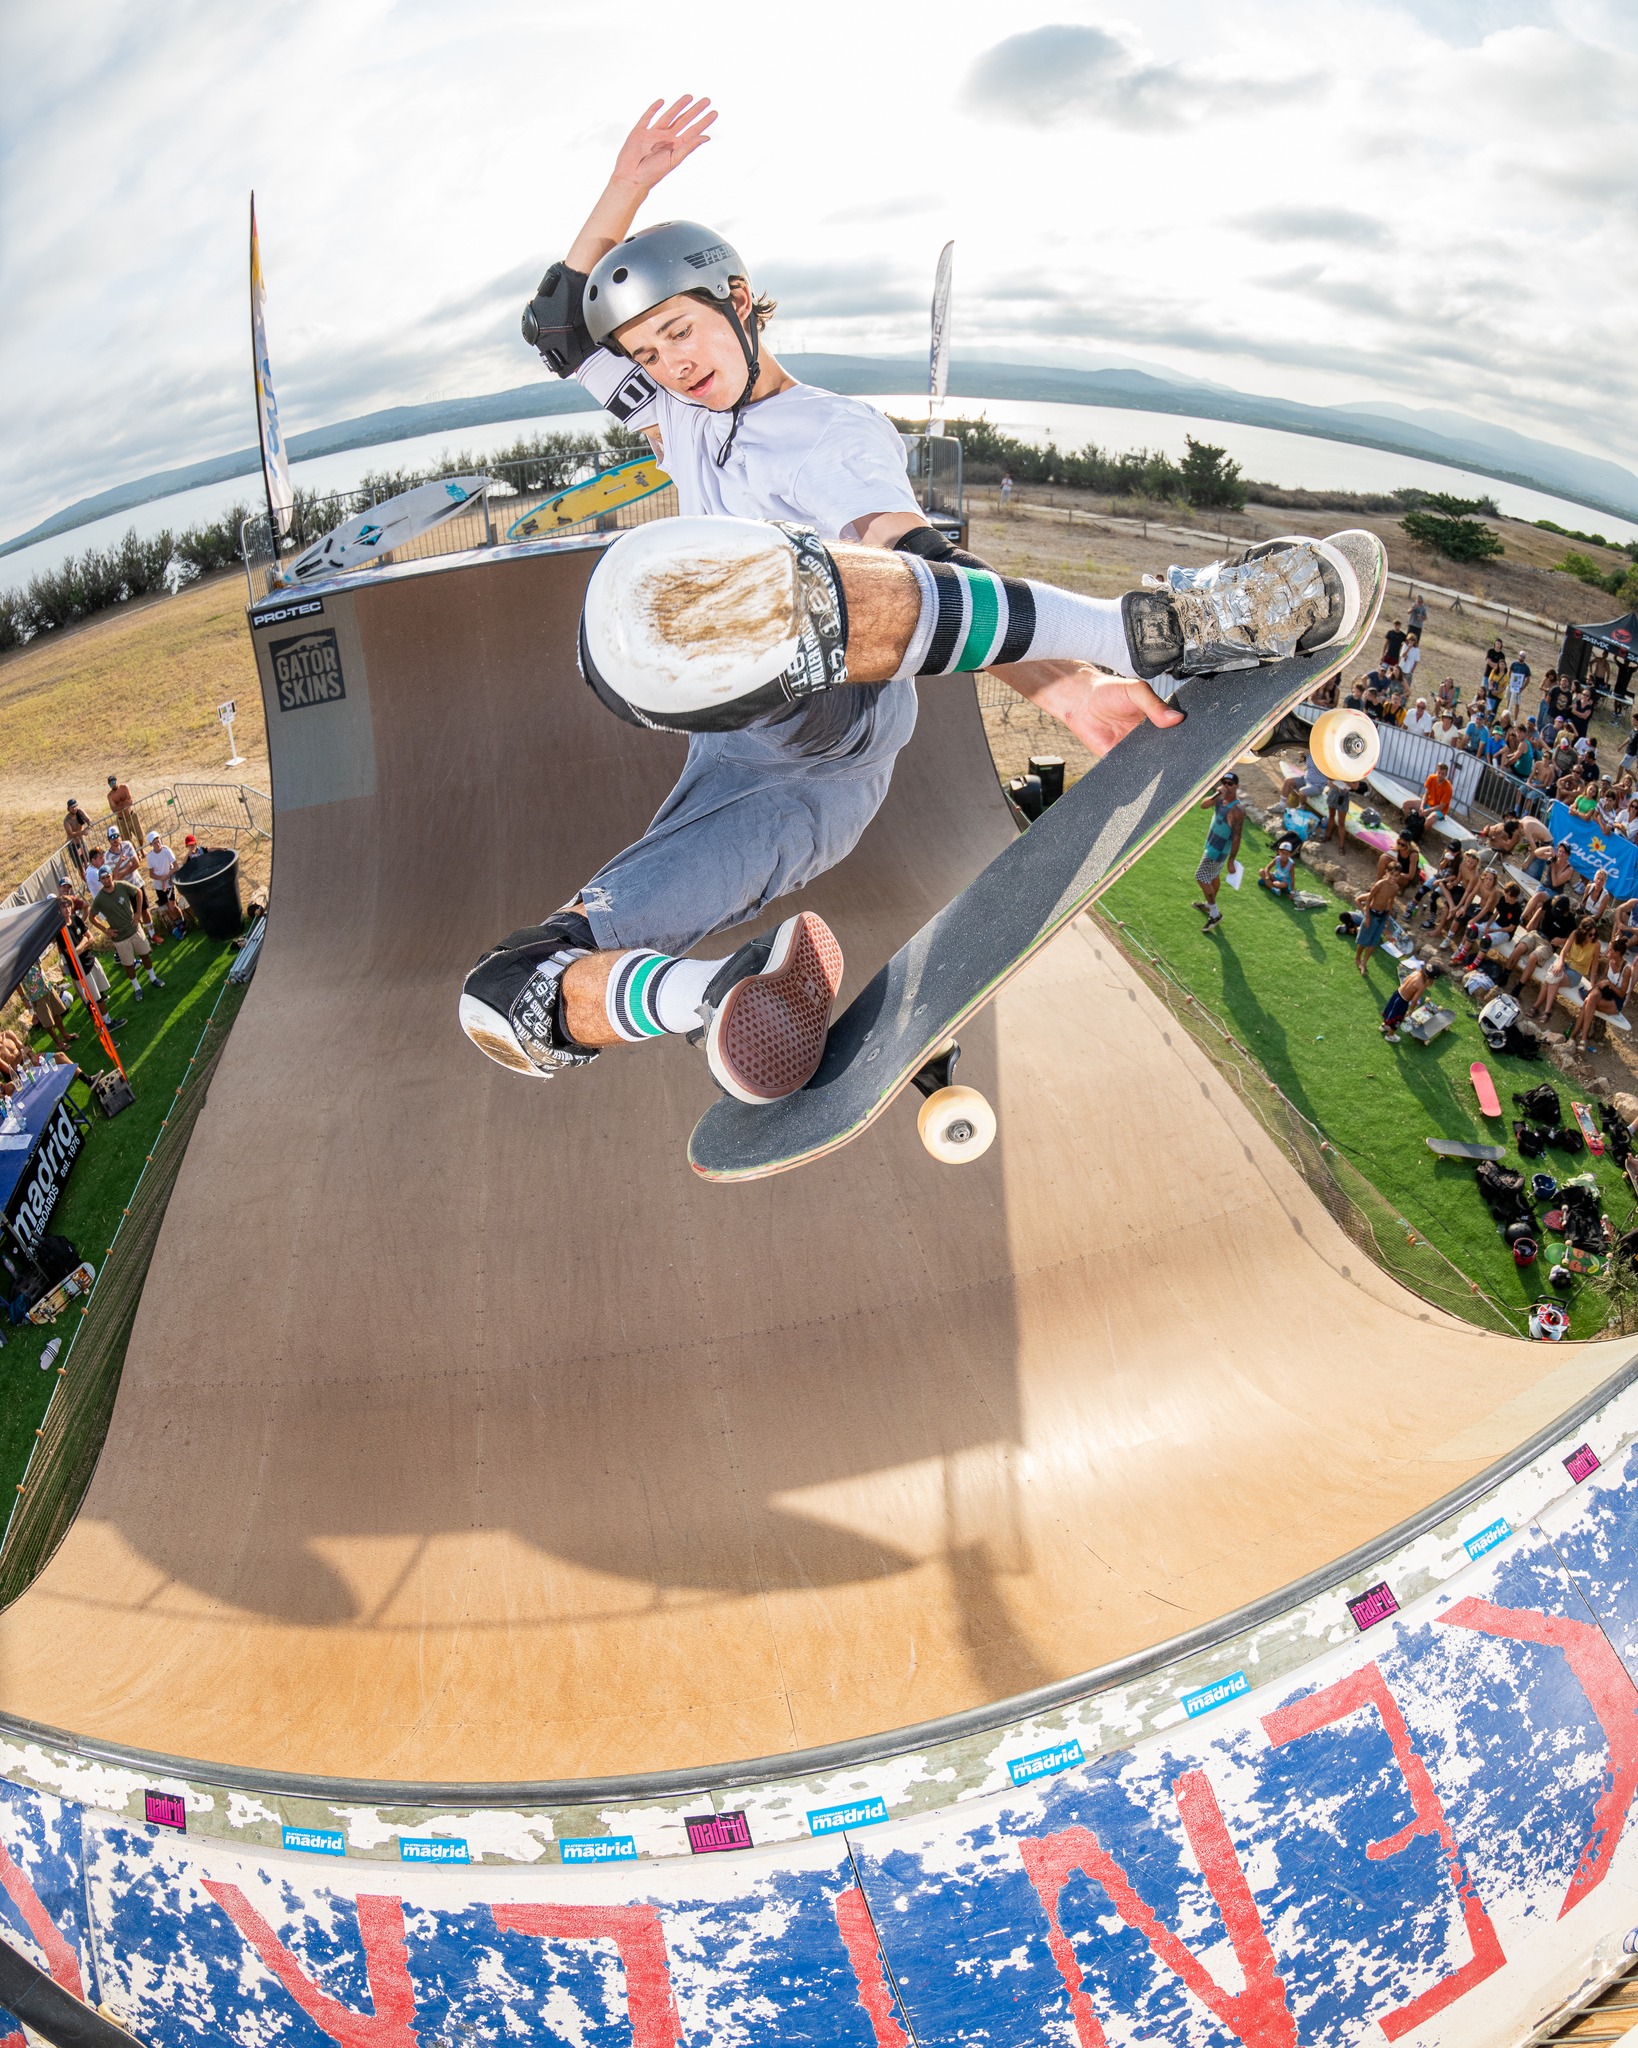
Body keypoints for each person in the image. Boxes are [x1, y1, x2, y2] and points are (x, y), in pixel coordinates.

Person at [461, 105, 1363, 1090]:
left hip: (833, 728)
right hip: (743, 776)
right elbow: (558, 323)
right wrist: (628, 184)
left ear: (740, 301)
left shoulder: (834, 435)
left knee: (756, 587)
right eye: (647, 355)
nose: (671, 365)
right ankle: (714, 996)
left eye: (680, 331)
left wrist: (1067, 685)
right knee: (504, 1000)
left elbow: (915, 567)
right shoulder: (677, 413)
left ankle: (1165, 628)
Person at [89, 871, 164, 1003]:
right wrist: (106, 930)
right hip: (120, 938)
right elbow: (91, 917)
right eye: (103, 878)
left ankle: (153, 978)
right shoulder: (99, 899)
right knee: (128, 965)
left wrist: (138, 913)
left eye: (107, 877)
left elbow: (138, 892)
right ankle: (137, 988)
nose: (106, 880)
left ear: (111, 876)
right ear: (100, 880)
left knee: (145, 955)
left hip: (135, 930)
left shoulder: (122, 885)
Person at [1194, 773, 1246, 933]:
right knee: (1213, 876)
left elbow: (1237, 837)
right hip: (1211, 845)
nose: (1226, 786)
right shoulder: (1220, 799)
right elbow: (1203, 805)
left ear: (1236, 786)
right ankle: (1209, 906)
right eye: (1224, 782)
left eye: (1230, 783)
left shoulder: (1237, 810)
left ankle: (1215, 913)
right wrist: (1216, 794)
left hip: (1217, 851)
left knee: (1201, 877)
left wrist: (1231, 861)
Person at [18, 960, 74, 1057]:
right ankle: (58, 1044)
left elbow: (40, 968)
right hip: (36, 996)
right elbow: (16, 984)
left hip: (48, 988)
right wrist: (24, 999)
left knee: (56, 1013)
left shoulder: (31, 954)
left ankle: (65, 1035)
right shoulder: (16, 964)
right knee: (47, 1022)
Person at [1354, 868, 1402, 975]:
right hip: (1372, 914)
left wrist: (1387, 918)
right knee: (1364, 940)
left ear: (1399, 876)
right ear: (1386, 872)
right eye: (1391, 874)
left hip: (1382, 915)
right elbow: (1368, 899)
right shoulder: (1379, 885)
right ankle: (1357, 958)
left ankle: (1364, 963)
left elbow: (1390, 902)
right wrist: (1367, 917)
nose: (1393, 877)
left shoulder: (1395, 888)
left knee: (1374, 942)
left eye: (1396, 875)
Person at [1381, 958, 1429, 1043]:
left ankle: (1384, 1025)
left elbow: (1404, 981)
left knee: (1390, 1010)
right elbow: (1414, 1000)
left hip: (1397, 993)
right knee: (1397, 1019)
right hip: (1402, 1001)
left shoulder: (1415, 973)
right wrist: (1411, 1011)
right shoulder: (1422, 986)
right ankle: (1390, 1035)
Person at [145, 830, 182, 936]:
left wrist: (167, 875)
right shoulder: (150, 856)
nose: (158, 843)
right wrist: (160, 878)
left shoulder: (166, 850)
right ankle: (178, 924)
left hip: (169, 883)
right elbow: (151, 874)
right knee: (167, 907)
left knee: (172, 906)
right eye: (155, 842)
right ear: (151, 844)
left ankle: (182, 921)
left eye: (158, 841)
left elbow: (176, 866)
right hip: (159, 885)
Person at [106, 773, 140, 843]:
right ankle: (135, 850)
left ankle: (142, 848)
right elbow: (114, 810)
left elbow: (130, 801)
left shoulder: (124, 788)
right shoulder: (110, 796)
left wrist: (119, 807)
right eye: (111, 784)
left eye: (114, 782)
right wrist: (124, 805)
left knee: (140, 836)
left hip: (131, 815)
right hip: (121, 820)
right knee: (127, 841)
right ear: (109, 785)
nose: (113, 785)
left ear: (116, 781)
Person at [61, 800, 90, 880]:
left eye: (75, 806)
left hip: (82, 842)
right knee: (80, 866)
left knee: (87, 862)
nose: (74, 808)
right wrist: (82, 832)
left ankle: (90, 880)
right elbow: (70, 834)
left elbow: (88, 819)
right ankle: (86, 882)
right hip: (74, 845)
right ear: (68, 809)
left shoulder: (80, 812)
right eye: (72, 807)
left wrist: (89, 825)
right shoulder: (67, 820)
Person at [1507, 650, 1530, 715]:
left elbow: (1528, 679)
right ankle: (1507, 713)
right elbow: (1509, 672)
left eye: (1523, 657)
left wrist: (1522, 688)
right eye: (1521, 656)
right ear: (1518, 656)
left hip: (1519, 686)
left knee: (1517, 703)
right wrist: (1509, 681)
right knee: (1509, 699)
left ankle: (1515, 719)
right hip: (1512, 684)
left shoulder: (1526, 667)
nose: (1521, 657)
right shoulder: (1514, 664)